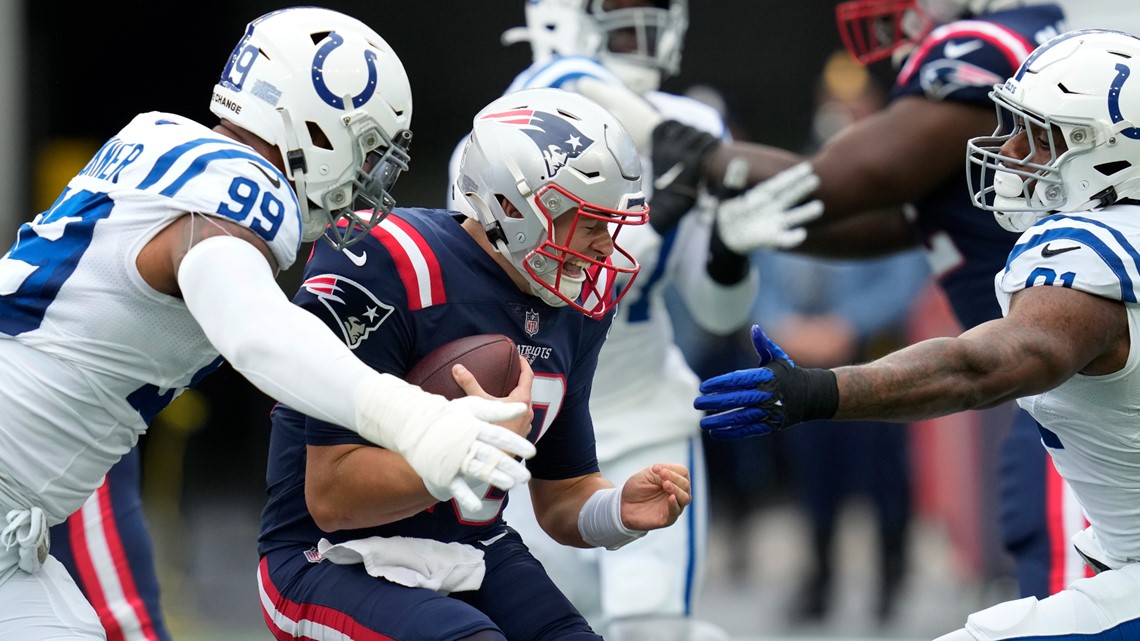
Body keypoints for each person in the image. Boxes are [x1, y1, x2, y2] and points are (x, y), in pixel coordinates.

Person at [0, 8, 538, 640]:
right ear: (314, 123)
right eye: (367, 152)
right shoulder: (243, 188)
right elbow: (257, 330)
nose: (367, 183)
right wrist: (415, 422)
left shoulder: (160, 141)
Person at [577, 0, 1090, 601]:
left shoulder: (983, 46)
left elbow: (859, 181)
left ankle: (886, 580)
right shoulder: (1026, 56)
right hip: (1053, 390)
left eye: (1029, 135)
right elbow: (887, 219)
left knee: (1060, 586)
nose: (1012, 151)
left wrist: (702, 157)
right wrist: (744, 222)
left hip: (1068, 390)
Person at [695, 28, 1140, 641]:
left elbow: (985, 365)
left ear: (1111, 153)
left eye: (1038, 137)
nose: (1009, 149)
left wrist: (821, 390)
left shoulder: (1087, 252)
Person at [256, 87, 691, 641]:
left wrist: (616, 513)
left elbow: (562, 493)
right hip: (328, 555)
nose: (605, 248)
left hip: (472, 548)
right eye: (589, 223)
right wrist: (467, 453)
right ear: (513, 208)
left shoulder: (575, 303)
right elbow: (332, 498)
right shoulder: (391, 262)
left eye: (611, 226)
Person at [449, 2, 755, 638]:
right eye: (618, 14)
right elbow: (544, 284)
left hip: (645, 407)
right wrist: (665, 208)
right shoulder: (500, 140)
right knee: (543, 620)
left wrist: (728, 249)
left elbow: (718, 311)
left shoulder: (693, 126)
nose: (639, 28)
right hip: (536, 414)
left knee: (651, 628)